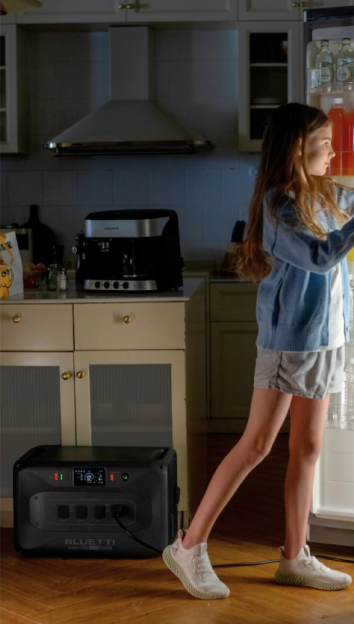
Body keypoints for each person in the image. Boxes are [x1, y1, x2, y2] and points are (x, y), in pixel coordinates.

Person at [164, 102, 354, 599]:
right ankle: (188, 545)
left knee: (308, 447)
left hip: (327, 339)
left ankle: (295, 556)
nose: (333, 153)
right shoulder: (279, 205)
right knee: (256, 445)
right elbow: (320, 256)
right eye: (324, 144)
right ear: (297, 148)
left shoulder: (325, 193)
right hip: (289, 341)